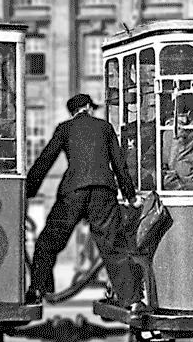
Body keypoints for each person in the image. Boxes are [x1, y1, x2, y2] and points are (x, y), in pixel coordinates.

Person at [24, 93, 145, 310]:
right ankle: (132, 301)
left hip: (73, 192)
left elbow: (45, 160)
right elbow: (119, 165)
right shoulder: (105, 127)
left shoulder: (65, 128)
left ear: (73, 111)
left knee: (47, 242)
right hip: (103, 192)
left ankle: (40, 289)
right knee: (114, 248)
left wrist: (28, 190)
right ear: (88, 107)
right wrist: (131, 196)